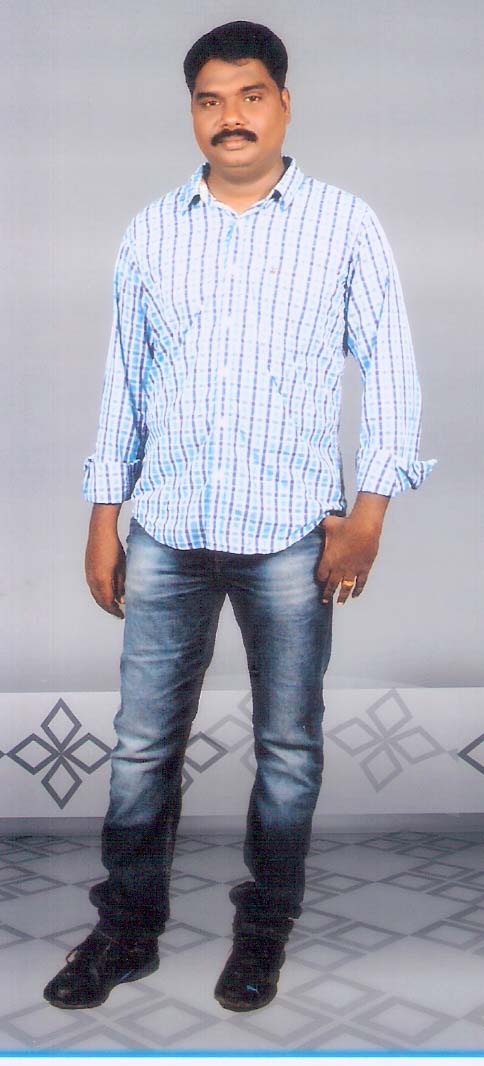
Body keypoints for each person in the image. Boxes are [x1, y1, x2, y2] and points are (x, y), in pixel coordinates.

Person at [44, 20, 435, 1013]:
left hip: (292, 535)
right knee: (141, 746)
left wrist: (369, 514)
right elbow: (124, 383)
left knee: (289, 747)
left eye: (250, 96)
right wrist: (103, 516)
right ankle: (126, 932)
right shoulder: (152, 230)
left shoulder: (343, 224)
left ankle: (263, 932)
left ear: (283, 103)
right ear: (192, 112)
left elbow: (390, 370)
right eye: (210, 100)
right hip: (167, 530)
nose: (231, 117)